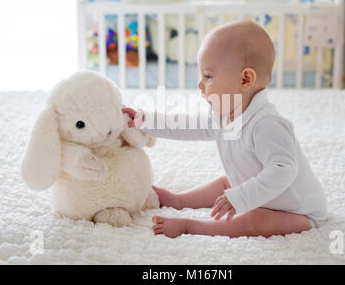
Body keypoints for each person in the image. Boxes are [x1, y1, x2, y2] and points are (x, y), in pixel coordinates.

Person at [122, 20, 327, 238]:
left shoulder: (267, 124)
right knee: (226, 183)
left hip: (296, 212)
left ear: (245, 79)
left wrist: (240, 197)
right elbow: (188, 125)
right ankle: (178, 200)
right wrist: (146, 121)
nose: (200, 85)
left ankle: (190, 226)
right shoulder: (224, 115)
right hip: (256, 189)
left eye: (208, 76)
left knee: (256, 218)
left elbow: (284, 170)